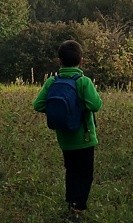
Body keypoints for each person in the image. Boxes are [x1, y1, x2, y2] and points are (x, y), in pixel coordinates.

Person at [33, 39, 103, 216]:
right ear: (81, 61)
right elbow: (95, 105)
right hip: (85, 138)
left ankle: (71, 202)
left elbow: (38, 105)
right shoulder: (83, 81)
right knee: (85, 174)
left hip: (64, 138)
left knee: (71, 171)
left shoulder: (51, 82)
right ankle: (77, 207)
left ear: (59, 61)